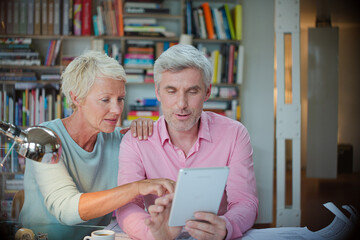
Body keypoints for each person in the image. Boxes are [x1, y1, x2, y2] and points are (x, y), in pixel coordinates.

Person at [116, 44, 259, 240]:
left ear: (207, 92)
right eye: (171, 91)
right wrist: (153, 234)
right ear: (158, 92)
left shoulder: (234, 134)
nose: (181, 104)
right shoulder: (136, 141)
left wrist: (226, 227)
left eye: (192, 91)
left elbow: (245, 201)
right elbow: (127, 204)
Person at [19, 50, 175, 227]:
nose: (117, 110)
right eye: (105, 99)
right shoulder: (42, 138)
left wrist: (149, 131)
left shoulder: (121, 141)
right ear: (76, 97)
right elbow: (66, 209)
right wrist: (137, 187)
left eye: (120, 99)